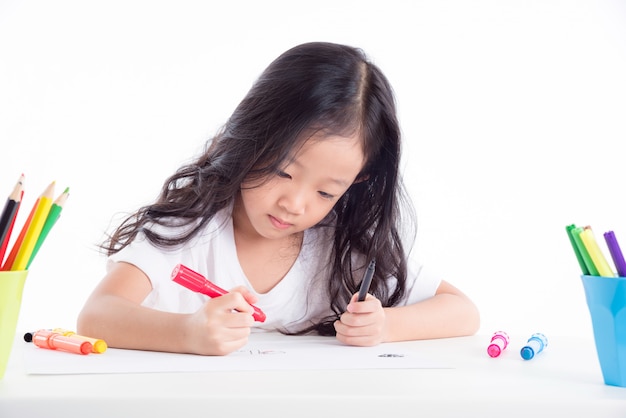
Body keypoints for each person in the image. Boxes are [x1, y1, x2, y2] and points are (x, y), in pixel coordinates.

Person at [77, 41, 480, 356]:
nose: (295, 204)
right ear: (249, 140)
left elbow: (463, 311)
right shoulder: (188, 229)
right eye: (282, 172)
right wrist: (188, 333)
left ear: (356, 183)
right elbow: (96, 315)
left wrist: (388, 326)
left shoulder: (340, 246)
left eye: (326, 191)